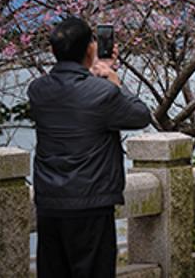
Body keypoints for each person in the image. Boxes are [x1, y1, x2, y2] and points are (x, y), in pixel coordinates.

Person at [28, 16, 151, 278]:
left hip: (50, 202)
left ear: (53, 51)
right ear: (90, 48)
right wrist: (114, 80)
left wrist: (93, 68)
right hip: (90, 203)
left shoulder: (37, 90)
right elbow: (140, 115)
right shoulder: (102, 93)